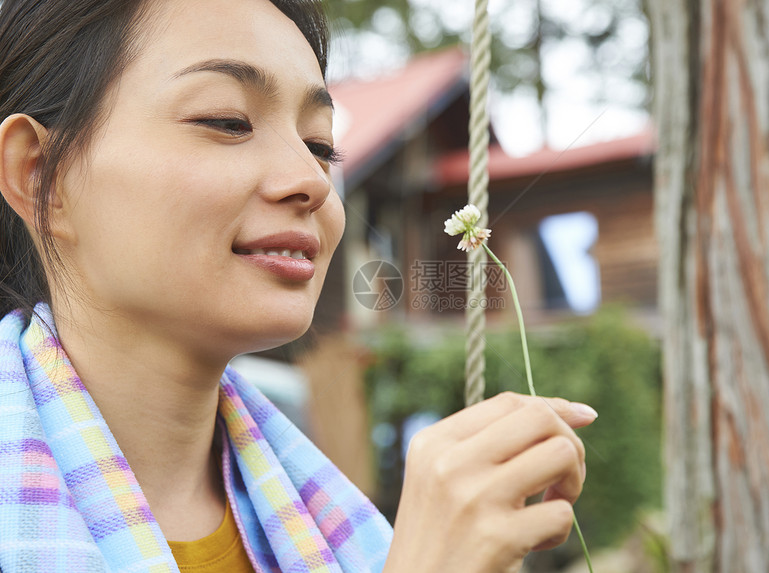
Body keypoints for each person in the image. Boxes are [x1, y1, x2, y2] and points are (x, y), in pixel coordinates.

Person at [0, 0, 598, 571]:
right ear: (39, 177)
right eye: (227, 122)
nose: (310, 182)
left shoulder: (339, 526)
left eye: (320, 146)